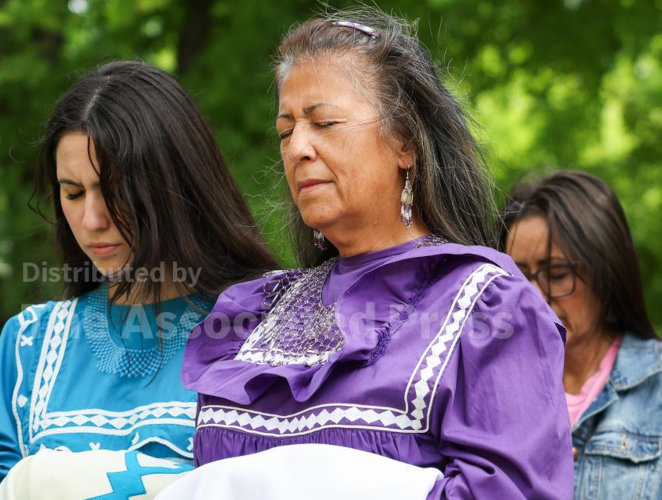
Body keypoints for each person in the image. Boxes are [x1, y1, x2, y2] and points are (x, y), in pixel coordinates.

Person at [170, 7, 574, 499]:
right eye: (286, 129)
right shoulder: (252, 314)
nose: (297, 147)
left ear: (404, 142)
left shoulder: (487, 308)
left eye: (325, 122)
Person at [0, 60, 278, 500]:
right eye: (72, 193)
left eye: (115, 190)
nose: (92, 220)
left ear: (175, 183)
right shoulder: (28, 348)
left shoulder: (266, 330)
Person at [503, 170, 662, 499]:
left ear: (606, 273)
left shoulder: (655, 390)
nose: (533, 297)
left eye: (557, 274)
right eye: (517, 276)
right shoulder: (485, 393)